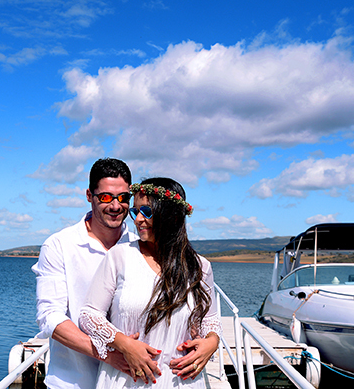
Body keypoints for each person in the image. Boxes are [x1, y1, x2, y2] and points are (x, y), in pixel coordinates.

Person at [78, 177, 222, 389]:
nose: (138, 220)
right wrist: (124, 344)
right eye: (135, 212)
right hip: (127, 380)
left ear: (171, 215)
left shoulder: (200, 267)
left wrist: (211, 342)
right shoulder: (120, 257)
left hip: (181, 381)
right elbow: (89, 315)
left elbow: (209, 319)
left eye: (147, 212)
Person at [33, 158, 152, 389]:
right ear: (90, 196)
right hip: (73, 383)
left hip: (131, 383)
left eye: (123, 197)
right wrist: (109, 354)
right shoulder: (59, 245)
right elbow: (50, 317)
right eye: (106, 197)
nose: (116, 206)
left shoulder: (142, 245)